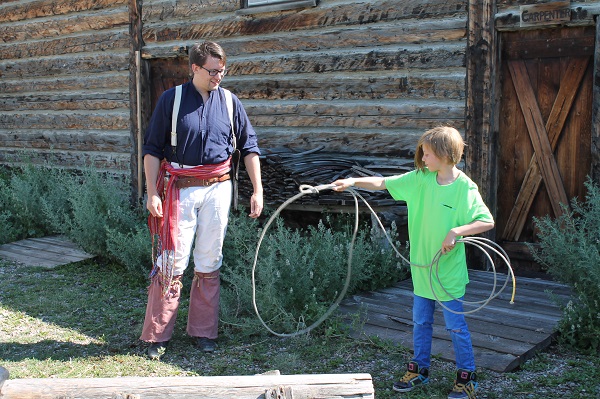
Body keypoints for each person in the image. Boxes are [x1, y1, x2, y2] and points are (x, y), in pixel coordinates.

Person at [332, 126, 494, 399]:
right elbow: (384, 182)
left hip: (448, 274)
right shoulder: (421, 179)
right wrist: (352, 182)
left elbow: (486, 220)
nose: (422, 158)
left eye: (427, 154)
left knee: (455, 326)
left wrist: (456, 232)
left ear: (444, 155)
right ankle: (420, 369)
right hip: (422, 271)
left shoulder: (465, 187)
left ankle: (467, 376)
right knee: (421, 322)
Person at [140, 41, 263, 359]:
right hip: (180, 189)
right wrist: (152, 192)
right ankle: (157, 335)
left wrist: (258, 190)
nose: (218, 76)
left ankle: (203, 332)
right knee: (172, 261)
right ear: (194, 68)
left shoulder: (231, 102)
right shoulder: (172, 100)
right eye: (213, 71)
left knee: (209, 260)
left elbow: (249, 147)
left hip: (219, 190)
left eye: (222, 71)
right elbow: (152, 149)